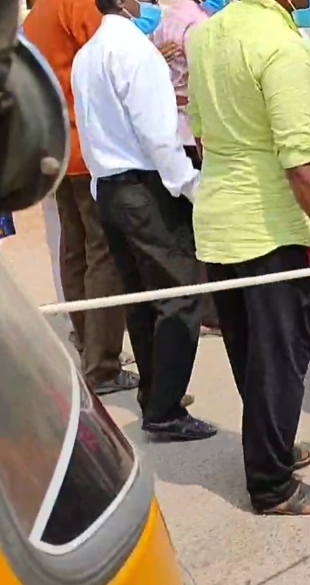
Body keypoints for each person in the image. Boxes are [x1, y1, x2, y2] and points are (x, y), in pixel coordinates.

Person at [188, 0, 310, 515]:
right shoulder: (282, 47)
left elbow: (200, 131)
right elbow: (304, 164)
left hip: (222, 220)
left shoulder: (207, 36)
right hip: (271, 229)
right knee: (280, 357)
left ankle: (273, 446)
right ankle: (272, 484)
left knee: (252, 351)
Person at [71, 0, 217, 442]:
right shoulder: (136, 50)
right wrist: (191, 186)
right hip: (146, 185)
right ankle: (166, 408)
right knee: (180, 296)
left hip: (110, 186)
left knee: (140, 296)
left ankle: (157, 395)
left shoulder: (89, 52)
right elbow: (158, 134)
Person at [24, 0, 138, 396]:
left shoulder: (38, 12)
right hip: (88, 145)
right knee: (103, 251)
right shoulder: (77, 5)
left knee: (75, 248)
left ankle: (89, 344)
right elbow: (110, 56)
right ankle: (103, 365)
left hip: (56, 143)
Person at [152, 0, 220, 335]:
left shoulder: (159, 20)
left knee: (182, 227)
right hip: (191, 132)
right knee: (203, 227)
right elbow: (202, 84)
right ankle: (210, 309)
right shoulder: (196, 24)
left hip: (171, 128)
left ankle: (201, 306)